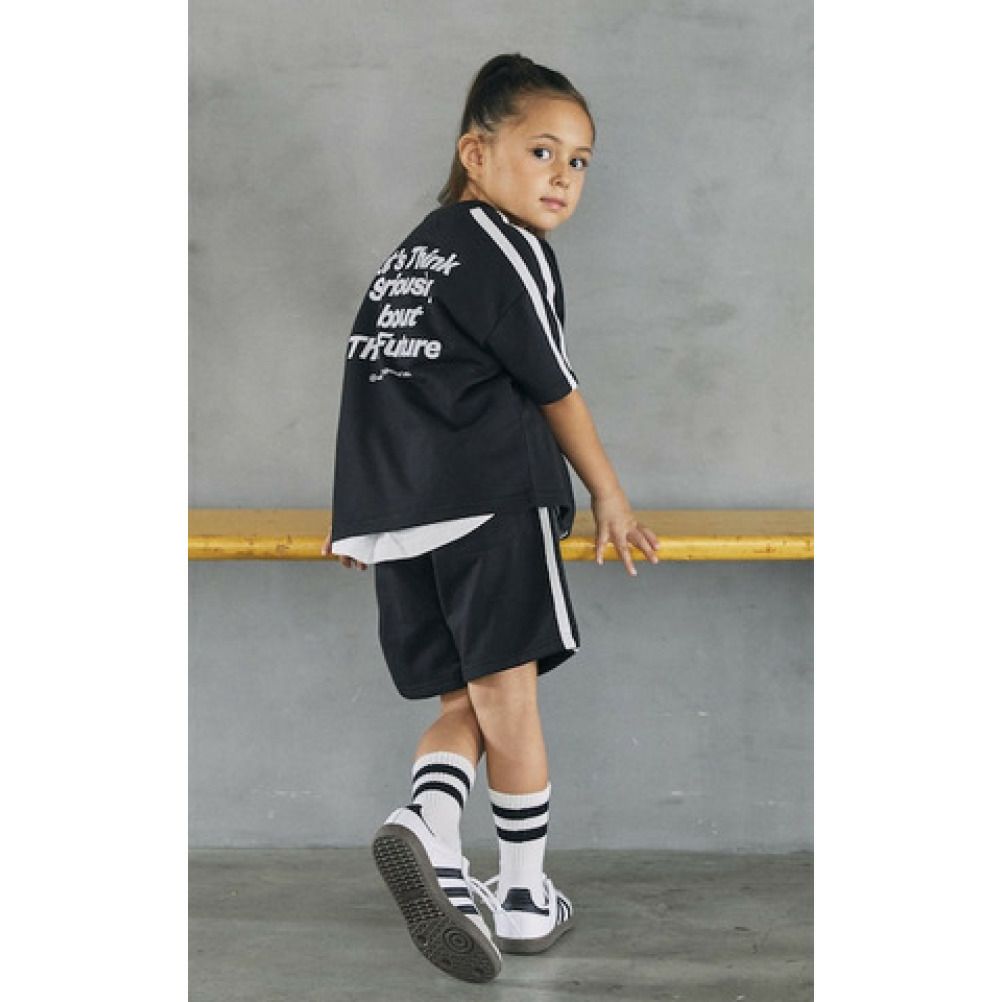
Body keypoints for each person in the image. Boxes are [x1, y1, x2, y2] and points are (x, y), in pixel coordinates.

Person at [322, 53, 660, 984]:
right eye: (542, 151)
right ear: (476, 153)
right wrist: (609, 493)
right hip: (490, 501)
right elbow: (555, 385)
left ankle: (433, 826)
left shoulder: (415, 252)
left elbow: (372, 380)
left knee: (463, 701)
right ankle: (518, 891)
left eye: (580, 161)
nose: (563, 176)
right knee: (510, 701)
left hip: (403, 513)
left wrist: (361, 516)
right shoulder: (507, 247)